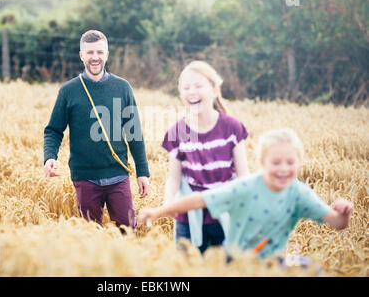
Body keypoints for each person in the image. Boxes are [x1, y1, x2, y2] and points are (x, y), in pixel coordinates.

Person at [139, 128, 353, 260]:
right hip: (236, 262)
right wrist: (159, 211)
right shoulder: (246, 187)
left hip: (272, 264)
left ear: (299, 162)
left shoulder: (299, 193)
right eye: (276, 162)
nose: (283, 168)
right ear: (261, 163)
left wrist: (343, 213)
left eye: (290, 162)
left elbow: (336, 222)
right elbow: (199, 200)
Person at [43, 30, 150, 229]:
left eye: (100, 52)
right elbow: (53, 130)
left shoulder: (122, 87)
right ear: (81, 55)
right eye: (90, 52)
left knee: (128, 231)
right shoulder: (68, 91)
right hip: (85, 178)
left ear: (107, 54)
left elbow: (134, 132)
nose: (95, 57)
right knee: (90, 237)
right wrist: (50, 157)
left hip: (118, 175)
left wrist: (142, 172)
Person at [160, 60, 250, 253]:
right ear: (181, 94)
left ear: (215, 90)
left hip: (226, 213)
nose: (192, 91)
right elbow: (174, 178)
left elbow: (243, 175)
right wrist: (168, 202)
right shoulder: (177, 131)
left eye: (198, 85)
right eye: (186, 87)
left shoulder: (232, 128)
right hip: (189, 216)